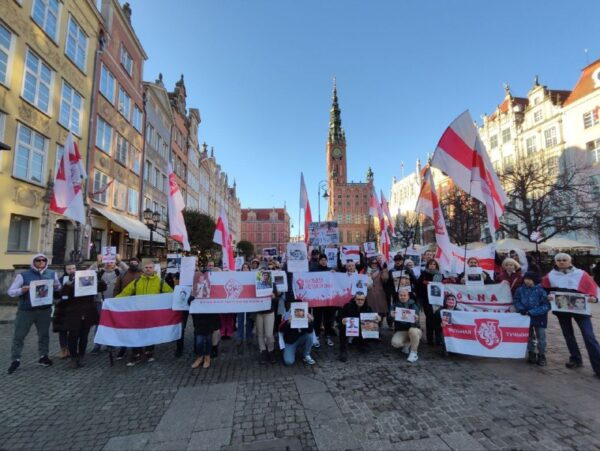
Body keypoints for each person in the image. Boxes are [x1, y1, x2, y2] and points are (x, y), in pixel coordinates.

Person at [541, 253, 600, 376]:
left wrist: (595, 298)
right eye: (559, 260)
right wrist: (548, 296)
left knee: (589, 337)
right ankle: (575, 359)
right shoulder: (550, 276)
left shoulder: (581, 274)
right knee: (568, 335)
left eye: (564, 260)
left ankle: (598, 367)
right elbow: (543, 289)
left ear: (570, 261)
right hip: (562, 310)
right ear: (555, 262)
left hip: (581, 310)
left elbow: (594, 288)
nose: (562, 262)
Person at [7, 254, 62, 374]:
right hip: (26, 310)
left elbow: (59, 288)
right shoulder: (23, 275)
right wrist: (22, 290)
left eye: (44, 260)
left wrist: (56, 287)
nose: (41, 262)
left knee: (44, 335)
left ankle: (43, 356)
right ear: (34, 262)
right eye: (38, 260)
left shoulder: (52, 274)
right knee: (19, 335)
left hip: (44, 309)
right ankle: (15, 359)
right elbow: (10, 292)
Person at [116, 261, 173, 366]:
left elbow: (170, 293)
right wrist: (114, 301)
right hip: (139, 313)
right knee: (137, 333)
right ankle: (136, 354)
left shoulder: (160, 282)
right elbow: (126, 292)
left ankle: (149, 352)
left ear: (154, 269)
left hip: (152, 314)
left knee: (150, 333)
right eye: (146, 267)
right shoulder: (137, 281)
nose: (148, 269)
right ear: (143, 269)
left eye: (150, 267)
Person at [58, 263, 103, 369]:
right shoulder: (69, 285)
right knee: (73, 337)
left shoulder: (89, 284)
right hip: (73, 315)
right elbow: (62, 295)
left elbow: (103, 287)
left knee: (84, 337)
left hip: (87, 314)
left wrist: (98, 278)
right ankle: (74, 357)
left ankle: (81, 356)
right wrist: (70, 284)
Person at [514, 272, 550, 366]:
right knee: (528, 336)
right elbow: (516, 300)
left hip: (539, 317)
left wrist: (533, 312)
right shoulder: (520, 290)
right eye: (526, 279)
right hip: (525, 317)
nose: (527, 281)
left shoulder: (541, 290)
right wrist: (521, 308)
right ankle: (531, 353)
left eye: (529, 279)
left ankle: (541, 354)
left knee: (541, 336)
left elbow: (546, 305)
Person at [91, 260, 125, 353]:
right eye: (107, 261)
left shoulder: (118, 272)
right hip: (100, 301)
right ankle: (97, 344)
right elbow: (87, 272)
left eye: (112, 261)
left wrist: (120, 261)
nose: (109, 263)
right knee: (99, 323)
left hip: (113, 302)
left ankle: (110, 343)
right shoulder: (99, 272)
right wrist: (96, 263)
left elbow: (128, 271)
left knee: (112, 323)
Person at [112, 257, 142, 359]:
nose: (134, 264)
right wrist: (115, 301)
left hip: (138, 305)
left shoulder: (142, 274)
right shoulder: (123, 274)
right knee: (124, 328)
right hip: (125, 305)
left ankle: (138, 348)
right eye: (132, 263)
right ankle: (123, 348)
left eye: (135, 262)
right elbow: (117, 288)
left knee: (138, 328)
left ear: (138, 263)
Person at [337, 291, 376, 362]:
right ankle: (343, 350)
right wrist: (342, 320)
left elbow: (373, 320)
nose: (360, 301)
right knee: (342, 327)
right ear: (355, 299)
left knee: (371, 328)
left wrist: (377, 318)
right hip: (349, 329)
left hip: (361, 328)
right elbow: (338, 318)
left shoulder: (368, 308)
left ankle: (362, 344)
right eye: (358, 299)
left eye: (362, 299)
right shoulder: (347, 306)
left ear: (365, 299)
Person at [416, 259, 445, 346]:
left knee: (437, 318)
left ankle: (438, 339)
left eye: (434, 264)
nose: (432, 265)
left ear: (436, 266)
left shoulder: (440, 275)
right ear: (427, 265)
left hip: (438, 301)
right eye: (430, 264)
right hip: (427, 300)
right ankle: (430, 339)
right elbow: (419, 287)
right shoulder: (424, 274)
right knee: (429, 319)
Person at [312, 253, 336, 348]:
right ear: (319, 261)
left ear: (327, 261)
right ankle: (316, 336)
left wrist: (334, 274)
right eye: (322, 260)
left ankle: (327, 335)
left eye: (325, 260)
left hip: (328, 300)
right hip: (318, 300)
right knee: (317, 318)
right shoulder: (314, 270)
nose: (323, 261)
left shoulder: (330, 270)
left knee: (328, 319)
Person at [391, 289, 422, 363]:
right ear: (398, 296)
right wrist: (391, 315)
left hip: (414, 329)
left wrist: (417, 318)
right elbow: (390, 316)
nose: (402, 297)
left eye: (404, 295)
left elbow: (417, 318)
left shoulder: (413, 304)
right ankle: (407, 343)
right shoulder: (395, 305)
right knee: (395, 343)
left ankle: (414, 352)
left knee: (413, 331)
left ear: (408, 296)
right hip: (402, 330)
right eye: (401, 295)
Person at [255, 279, 279, 364]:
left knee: (269, 334)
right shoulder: (256, 284)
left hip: (269, 312)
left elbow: (277, 299)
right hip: (259, 312)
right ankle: (263, 351)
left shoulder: (272, 284)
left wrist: (274, 296)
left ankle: (271, 350)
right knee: (260, 333)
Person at [365, 257, 389, 324]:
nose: (374, 264)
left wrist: (384, 269)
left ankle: (379, 325)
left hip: (379, 294)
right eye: (372, 263)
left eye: (376, 263)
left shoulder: (381, 271)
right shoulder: (365, 271)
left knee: (379, 313)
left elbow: (385, 279)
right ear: (369, 263)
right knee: (370, 312)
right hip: (369, 294)